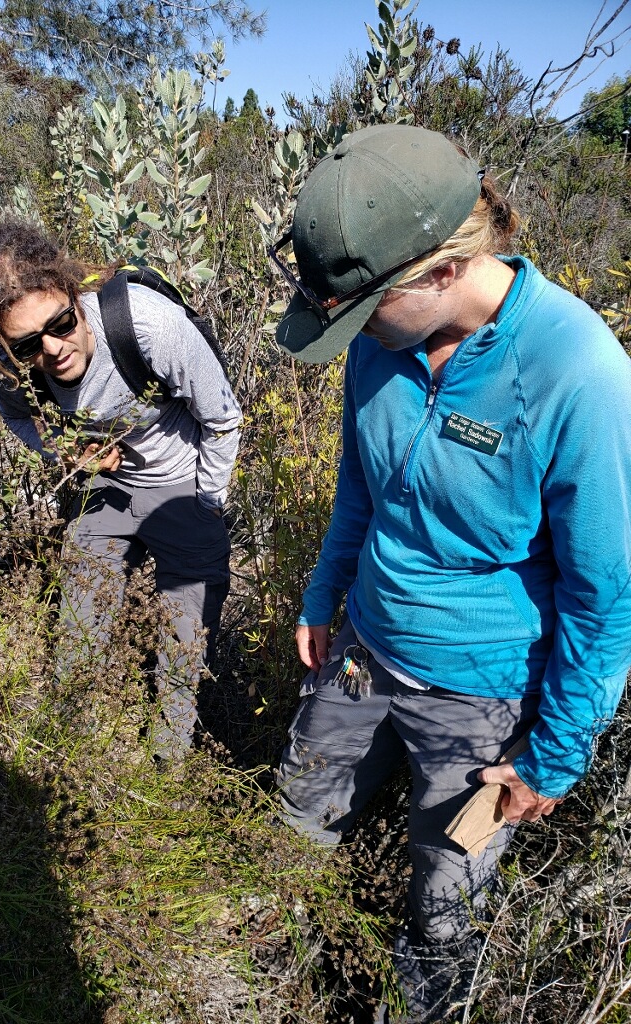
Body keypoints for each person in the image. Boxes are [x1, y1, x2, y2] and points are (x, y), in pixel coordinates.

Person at [268, 125, 631, 1022]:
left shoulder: (577, 372)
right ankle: (275, 979)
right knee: (290, 830)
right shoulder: (378, 342)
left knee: (442, 905)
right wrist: (325, 592)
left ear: (439, 270)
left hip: (480, 699)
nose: (352, 336)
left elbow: (605, 595)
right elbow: (361, 485)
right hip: (363, 648)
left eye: (362, 313)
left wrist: (553, 757)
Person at [0, 220, 242, 760]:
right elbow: (20, 419)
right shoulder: (11, 367)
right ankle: (68, 751)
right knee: (79, 627)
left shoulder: (148, 325)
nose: (53, 350)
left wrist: (205, 504)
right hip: (107, 490)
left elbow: (223, 418)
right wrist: (65, 450)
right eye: (28, 344)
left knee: (184, 645)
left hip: (183, 484)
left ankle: (166, 772)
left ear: (72, 292)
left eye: (61, 323)